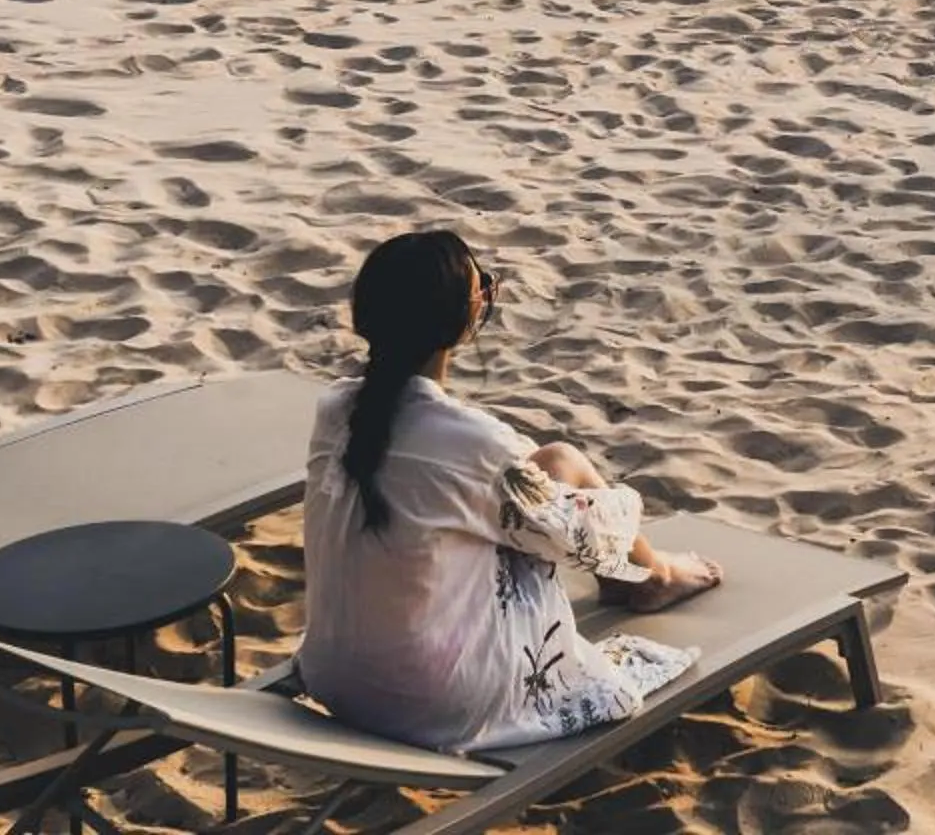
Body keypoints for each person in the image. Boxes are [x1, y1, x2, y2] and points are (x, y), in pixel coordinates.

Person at [298, 229, 725, 753]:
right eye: (483, 286)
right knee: (563, 469)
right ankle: (652, 576)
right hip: (432, 703)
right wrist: (622, 510)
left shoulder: (335, 410)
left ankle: (645, 576)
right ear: (468, 317)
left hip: (335, 678)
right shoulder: (472, 442)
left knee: (548, 470)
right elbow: (577, 536)